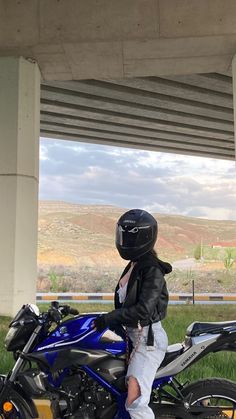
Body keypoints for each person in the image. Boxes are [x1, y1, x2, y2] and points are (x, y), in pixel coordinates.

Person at [93, 209, 172, 419]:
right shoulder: (134, 264)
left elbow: (144, 309)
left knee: (135, 403)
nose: (125, 240)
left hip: (147, 340)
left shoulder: (152, 269)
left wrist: (110, 318)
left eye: (131, 236)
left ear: (144, 237)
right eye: (123, 235)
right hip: (133, 337)